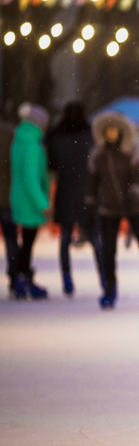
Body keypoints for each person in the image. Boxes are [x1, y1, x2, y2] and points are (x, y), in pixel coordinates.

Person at [87, 112, 139, 309]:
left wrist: (133, 193)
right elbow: (92, 182)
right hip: (109, 207)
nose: (111, 134)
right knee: (108, 251)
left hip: (134, 207)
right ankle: (109, 291)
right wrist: (90, 202)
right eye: (108, 130)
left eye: (115, 130)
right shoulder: (98, 156)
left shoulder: (130, 153)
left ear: (121, 132)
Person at [47, 102, 105, 297]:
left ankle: (67, 278)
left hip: (65, 191)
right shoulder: (90, 136)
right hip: (87, 193)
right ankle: (104, 277)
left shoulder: (55, 136)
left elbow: (52, 165)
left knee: (65, 238)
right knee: (95, 238)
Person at [9, 103, 51, 301]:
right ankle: (23, 279)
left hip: (19, 197)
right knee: (27, 243)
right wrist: (43, 204)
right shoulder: (33, 146)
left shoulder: (19, 140)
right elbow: (31, 177)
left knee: (24, 242)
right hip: (30, 201)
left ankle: (19, 278)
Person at [1, 119, 20, 298]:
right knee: (10, 238)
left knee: (11, 238)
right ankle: (15, 277)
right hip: (7, 194)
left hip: (7, 193)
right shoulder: (10, 133)